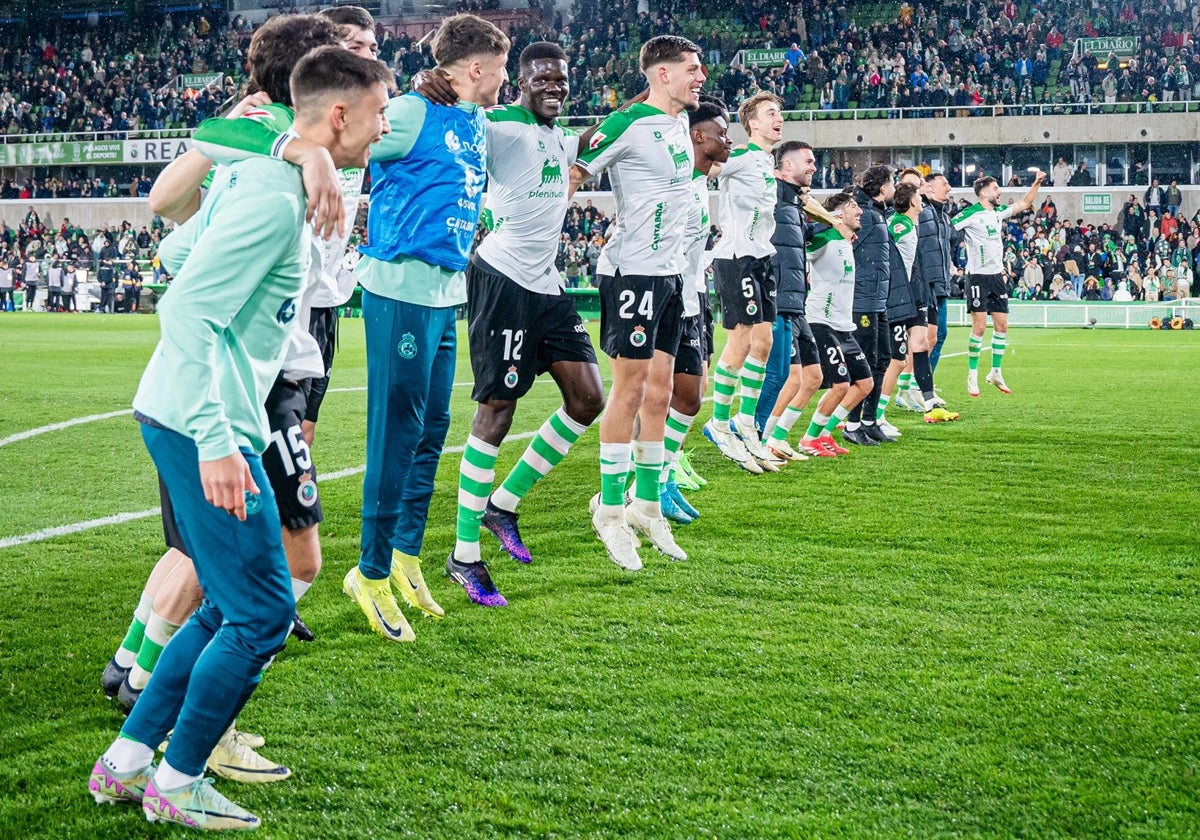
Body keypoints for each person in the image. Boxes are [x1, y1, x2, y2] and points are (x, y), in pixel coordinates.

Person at [88, 45, 390, 831]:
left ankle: (125, 764)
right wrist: (221, 440)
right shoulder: (274, 194)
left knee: (229, 609)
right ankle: (177, 780)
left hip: (193, 413)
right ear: (336, 115)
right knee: (258, 614)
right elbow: (186, 309)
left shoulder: (265, 176)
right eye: (379, 111)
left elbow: (176, 252)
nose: (385, 126)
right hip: (202, 424)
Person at [348, 14, 510, 641]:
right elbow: (348, 140)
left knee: (431, 427)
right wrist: (400, 98)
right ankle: (368, 570)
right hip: (400, 287)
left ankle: (405, 557)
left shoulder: (473, 116)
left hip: (447, 292)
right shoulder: (415, 112)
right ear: (474, 69)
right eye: (499, 68)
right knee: (396, 432)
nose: (503, 78)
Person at [443, 41, 605, 606]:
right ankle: (463, 557)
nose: (554, 87)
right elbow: (455, 123)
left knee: (587, 400)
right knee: (497, 411)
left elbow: (584, 149)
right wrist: (439, 86)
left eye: (561, 79)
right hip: (502, 278)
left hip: (548, 283)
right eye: (542, 79)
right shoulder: (497, 124)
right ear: (522, 82)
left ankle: (502, 505)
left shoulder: (564, 136)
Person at [570, 34, 705, 570]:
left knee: (663, 391)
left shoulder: (676, 124)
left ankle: (646, 504)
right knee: (628, 391)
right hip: (634, 274)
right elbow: (574, 173)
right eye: (691, 69)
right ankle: (608, 509)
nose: (700, 77)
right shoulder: (627, 124)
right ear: (661, 74)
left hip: (671, 275)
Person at [657, 97, 733, 524]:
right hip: (661, 299)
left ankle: (664, 474)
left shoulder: (702, 181)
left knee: (690, 396)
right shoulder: (676, 181)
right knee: (653, 397)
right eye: (721, 131)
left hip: (690, 298)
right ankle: (638, 487)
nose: (728, 139)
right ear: (696, 137)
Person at [702, 91, 784, 472]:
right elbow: (705, 168)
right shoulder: (742, 156)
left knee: (764, 342)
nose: (778, 118)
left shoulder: (767, 162)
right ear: (752, 123)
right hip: (736, 258)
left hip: (762, 258)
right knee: (742, 339)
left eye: (779, 113)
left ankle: (746, 422)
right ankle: (719, 422)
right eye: (770, 113)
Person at [758, 140, 825, 461]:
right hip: (777, 301)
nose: (814, 167)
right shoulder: (771, 200)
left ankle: (769, 437)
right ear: (786, 167)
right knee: (777, 375)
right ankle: (755, 436)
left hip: (795, 303)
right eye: (808, 162)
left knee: (800, 376)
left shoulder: (794, 207)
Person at [953, 171, 1045, 396]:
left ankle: (995, 372)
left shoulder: (997, 213)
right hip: (977, 277)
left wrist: (1037, 183)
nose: (999, 192)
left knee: (1002, 326)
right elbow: (946, 228)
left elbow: (1025, 202)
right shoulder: (970, 214)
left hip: (996, 277)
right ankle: (972, 374)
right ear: (983, 192)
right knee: (980, 327)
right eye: (995, 189)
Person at [796, 189, 872, 457]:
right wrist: (824, 220)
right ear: (839, 213)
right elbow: (799, 242)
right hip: (821, 320)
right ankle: (808, 438)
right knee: (839, 384)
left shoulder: (846, 241)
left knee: (865, 383)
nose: (859, 211)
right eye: (853, 206)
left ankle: (825, 433)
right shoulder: (823, 237)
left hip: (843, 325)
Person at [842, 164, 894, 447]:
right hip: (862, 301)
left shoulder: (876, 214)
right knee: (864, 363)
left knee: (882, 360)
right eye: (892, 182)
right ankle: (852, 424)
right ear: (883, 188)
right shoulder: (862, 214)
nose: (894, 188)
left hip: (878, 300)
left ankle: (870, 421)